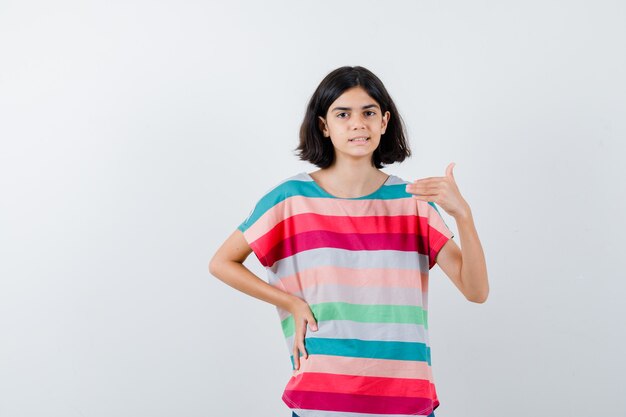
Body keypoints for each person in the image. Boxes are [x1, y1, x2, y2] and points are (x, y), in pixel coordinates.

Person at [209, 65, 489, 417]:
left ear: (384, 122)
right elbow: (222, 262)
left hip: (404, 401)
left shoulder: (412, 201)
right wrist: (290, 303)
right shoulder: (290, 200)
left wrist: (463, 214)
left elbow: (476, 291)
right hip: (320, 400)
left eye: (368, 112)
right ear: (324, 125)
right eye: (343, 113)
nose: (358, 123)